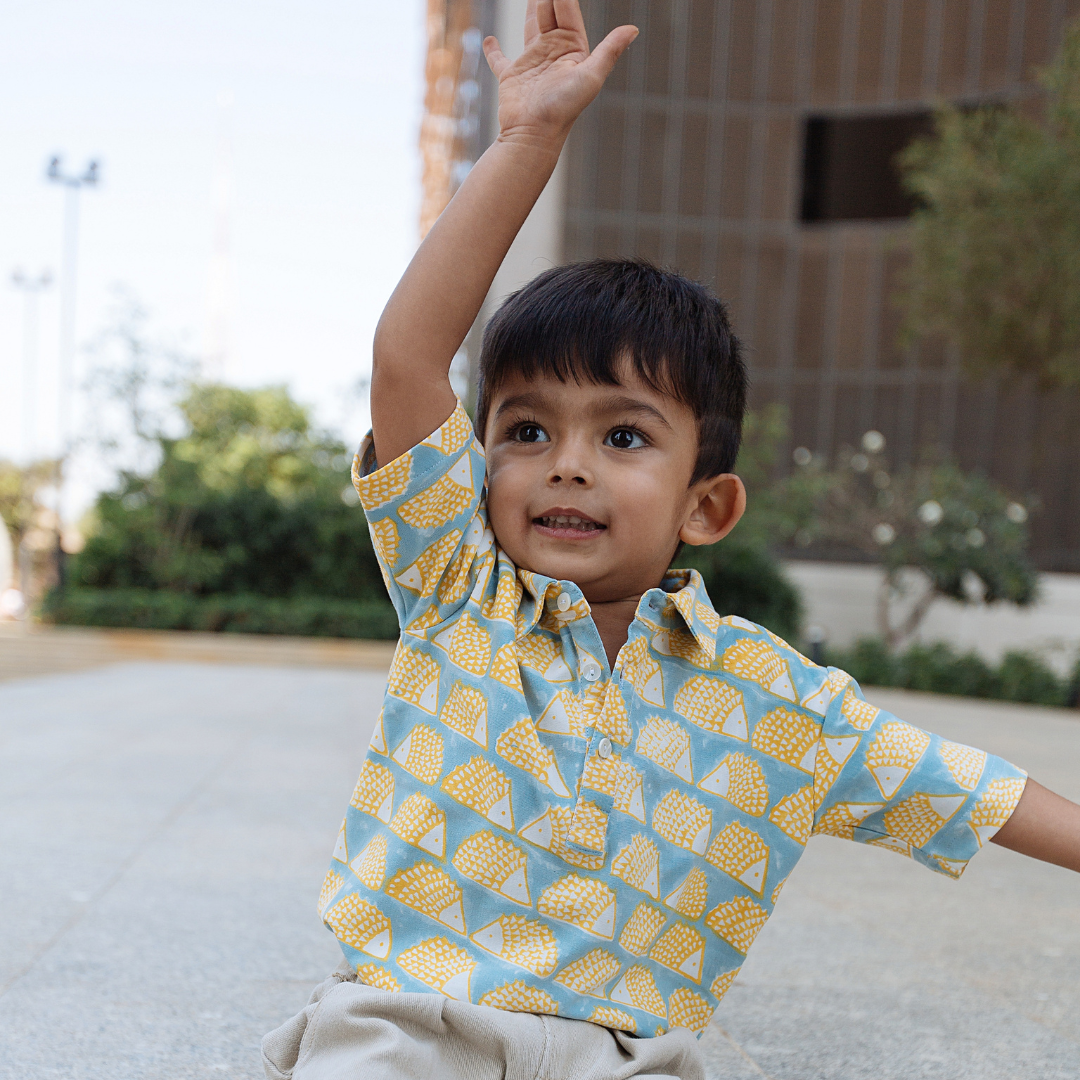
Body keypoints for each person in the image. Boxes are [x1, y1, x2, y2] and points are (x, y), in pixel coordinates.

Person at [262, 3, 1080, 1077]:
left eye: (624, 434)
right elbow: (410, 355)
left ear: (707, 506)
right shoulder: (457, 585)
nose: (566, 461)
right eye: (525, 430)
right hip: (412, 1033)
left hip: (631, 1058)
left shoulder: (778, 706)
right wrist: (526, 144)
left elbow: (976, 788)